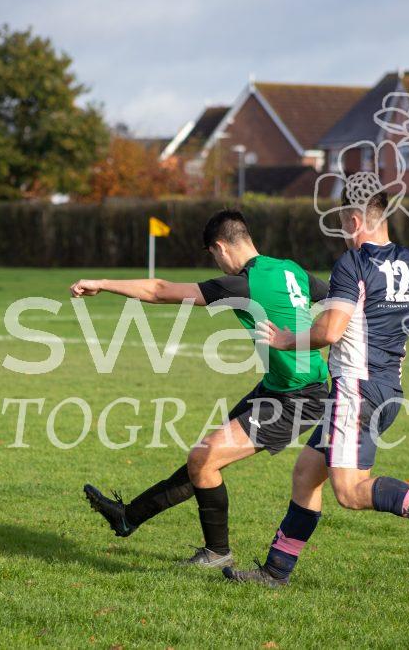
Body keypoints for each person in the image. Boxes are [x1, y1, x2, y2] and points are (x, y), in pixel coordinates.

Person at [222, 192, 409, 587]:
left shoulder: (353, 263)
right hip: (386, 389)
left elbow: (330, 331)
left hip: (356, 391)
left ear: (356, 222)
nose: (342, 232)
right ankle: (275, 571)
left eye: (342, 223)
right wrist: (398, 301)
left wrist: (287, 339)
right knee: (307, 474)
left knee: (349, 491)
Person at [70, 209, 330, 568]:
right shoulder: (291, 269)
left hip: (298, 399)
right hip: (277, 388)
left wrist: (102, 283)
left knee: (204, 460)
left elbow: (159, 291)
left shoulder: (243, 284)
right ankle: (127, 517)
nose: (217, 264)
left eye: (213, 256)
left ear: (220, 247)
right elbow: (339, 299)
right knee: (203, 461)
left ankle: (217, 553)